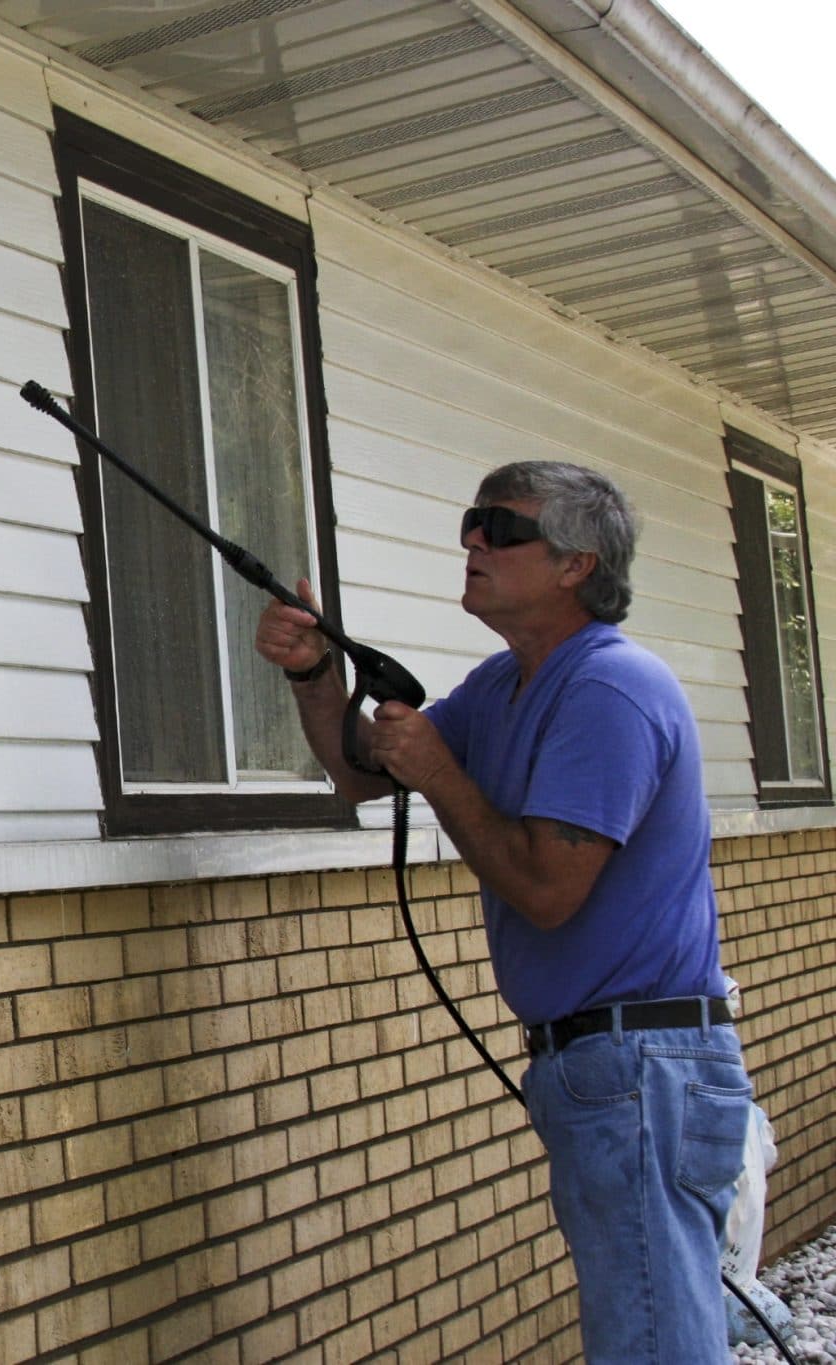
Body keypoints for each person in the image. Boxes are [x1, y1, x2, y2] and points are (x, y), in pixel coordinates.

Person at [255, 460, 752, 1362]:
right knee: (649, 1323)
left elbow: (548, 890)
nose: (473, 539)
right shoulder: (505, 682)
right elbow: (367, 769)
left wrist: (440, 773)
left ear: (575, 564)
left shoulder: (607, 690)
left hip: (644, 1064)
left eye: (502, 526)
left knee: (652, 1339)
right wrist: (316, 674)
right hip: (609, 1065)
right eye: (471, 520)